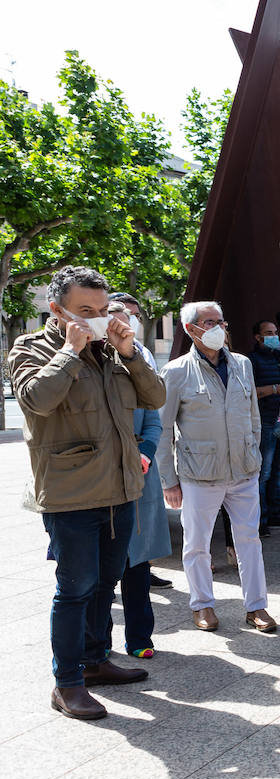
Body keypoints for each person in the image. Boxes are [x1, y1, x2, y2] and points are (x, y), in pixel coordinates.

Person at [10, 267, 166, 719]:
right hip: (70, 492)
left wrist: (129, 351)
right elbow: (36, 400)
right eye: (85, 312)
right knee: (75, 588)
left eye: (102, 311)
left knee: (106, 582)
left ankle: (96, 660)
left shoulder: (114, 350)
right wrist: (69, 353)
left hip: (119, 489)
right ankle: (68, 682)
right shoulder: (31, 347)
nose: (97, 319)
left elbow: (154, 398)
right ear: (56, 309)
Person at [160, 301, 276, 633]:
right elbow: (164, 430)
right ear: (190, 329)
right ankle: (202, 605)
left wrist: (252, 452)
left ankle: (257, 607)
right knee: (196, 544)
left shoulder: (242, 364)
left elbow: (253, 416)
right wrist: (169, 480)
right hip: (200, 474)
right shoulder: (176, 372)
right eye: (208, 322)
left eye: (220, 322)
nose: (217, 328)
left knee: (249, 540)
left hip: (243, 470)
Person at [105, 301, 171, 658]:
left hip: (139, 475)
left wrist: (143, 454)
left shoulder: (139, 367)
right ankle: (98, 645)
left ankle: (140, 639)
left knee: (138, 564)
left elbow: (155, 420)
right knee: (99, 570)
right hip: (99, 479)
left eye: (126, 324)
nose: (121, 330)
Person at [248, 318, 280, 535]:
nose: (274, 337)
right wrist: (276, 388)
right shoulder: (251, 361)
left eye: (275, 332)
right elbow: (251, 392)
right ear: (258, 337)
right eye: (268, 333)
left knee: (279, 472)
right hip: (264, 422)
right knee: (264, 473)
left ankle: (277, 513)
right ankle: (260, 520)